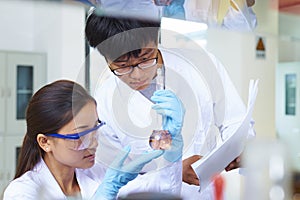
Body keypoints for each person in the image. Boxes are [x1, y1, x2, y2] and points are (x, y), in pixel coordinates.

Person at [85, 8, 255, 200]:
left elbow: (236, 121)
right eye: (122, 66)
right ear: (106, 59)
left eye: (145, 58)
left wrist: (239, 149)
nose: (137, 75)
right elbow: (111, 178)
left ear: (157, 37)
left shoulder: (202, 65)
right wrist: (173, 171)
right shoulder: (105, 103)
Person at [2, 80, 184, 199]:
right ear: (45, 142)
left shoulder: (97, 174)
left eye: (95, 129)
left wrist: (171, 154)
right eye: (80, 136)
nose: (94, 143)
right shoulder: (22, 193)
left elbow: (162, 192)